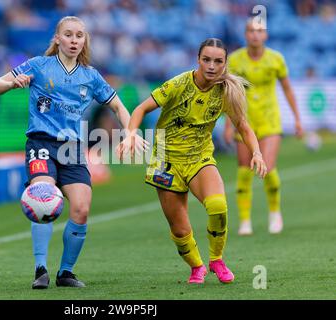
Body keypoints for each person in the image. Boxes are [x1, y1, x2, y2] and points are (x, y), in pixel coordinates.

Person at [0, 16, 145, 289]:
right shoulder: (39, 65)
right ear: (58, 39)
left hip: (73, 149)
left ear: (84, 41)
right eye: (69, 35)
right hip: (41, 144)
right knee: (43, 199)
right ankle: (40, 270)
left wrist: (130, 132)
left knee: (82, 209)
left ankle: (66, 273)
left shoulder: (91, 76)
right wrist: (12, 83)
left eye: (79, 36)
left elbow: (119, 108)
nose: (74, 41)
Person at [117, 38, 267, 284]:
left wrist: (257, 153)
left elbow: (244, 127)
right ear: (198, 60)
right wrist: (130, 134)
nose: (211, 66)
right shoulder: (178, 84)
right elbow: (141, 109)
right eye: (206, 60)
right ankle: (197, 266)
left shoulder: (226, 91)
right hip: (166, 161)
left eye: (218, 61)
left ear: (225, 64)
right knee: (180, 230)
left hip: (199, 158)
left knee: (218, 205)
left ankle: (216, 259)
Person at [224, 19, 303, 236]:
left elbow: (287, 89)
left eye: (259, 31)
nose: (255, 35)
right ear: (245, 34)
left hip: (269, 120)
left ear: (266, 35)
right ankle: (245, 220)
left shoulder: (276, 59)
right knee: (243, 170)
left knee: (266, 166)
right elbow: (230, 95)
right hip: (244, 121)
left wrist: (297, 119)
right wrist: (229, 125)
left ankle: (275, 212)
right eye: (251, 30)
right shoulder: (235, 60)